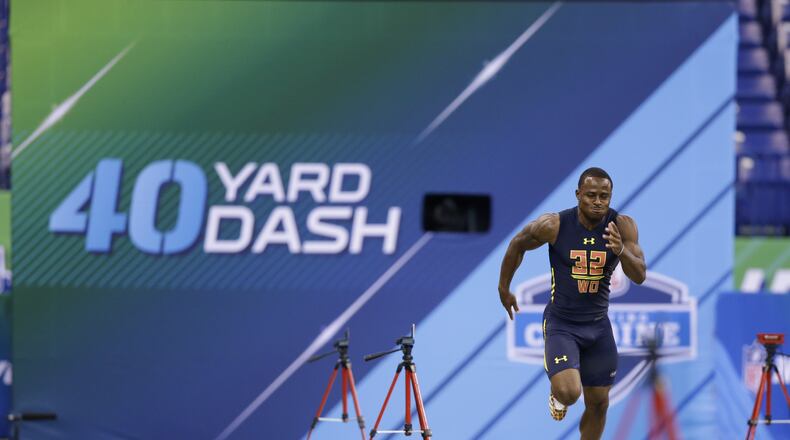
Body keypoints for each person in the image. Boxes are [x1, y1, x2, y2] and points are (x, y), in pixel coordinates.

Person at [497, 167, 646, 440]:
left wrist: (621, 250)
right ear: (578, 195)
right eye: (591, 195)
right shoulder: (555, 225)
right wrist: (503, 288)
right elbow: (517, 243)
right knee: (569, 392)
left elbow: (639, 275)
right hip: (562, 324)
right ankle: (557, 395)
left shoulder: (622, 226)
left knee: (599, 403)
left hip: (598, 326)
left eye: (605, 196)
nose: (598, 201)